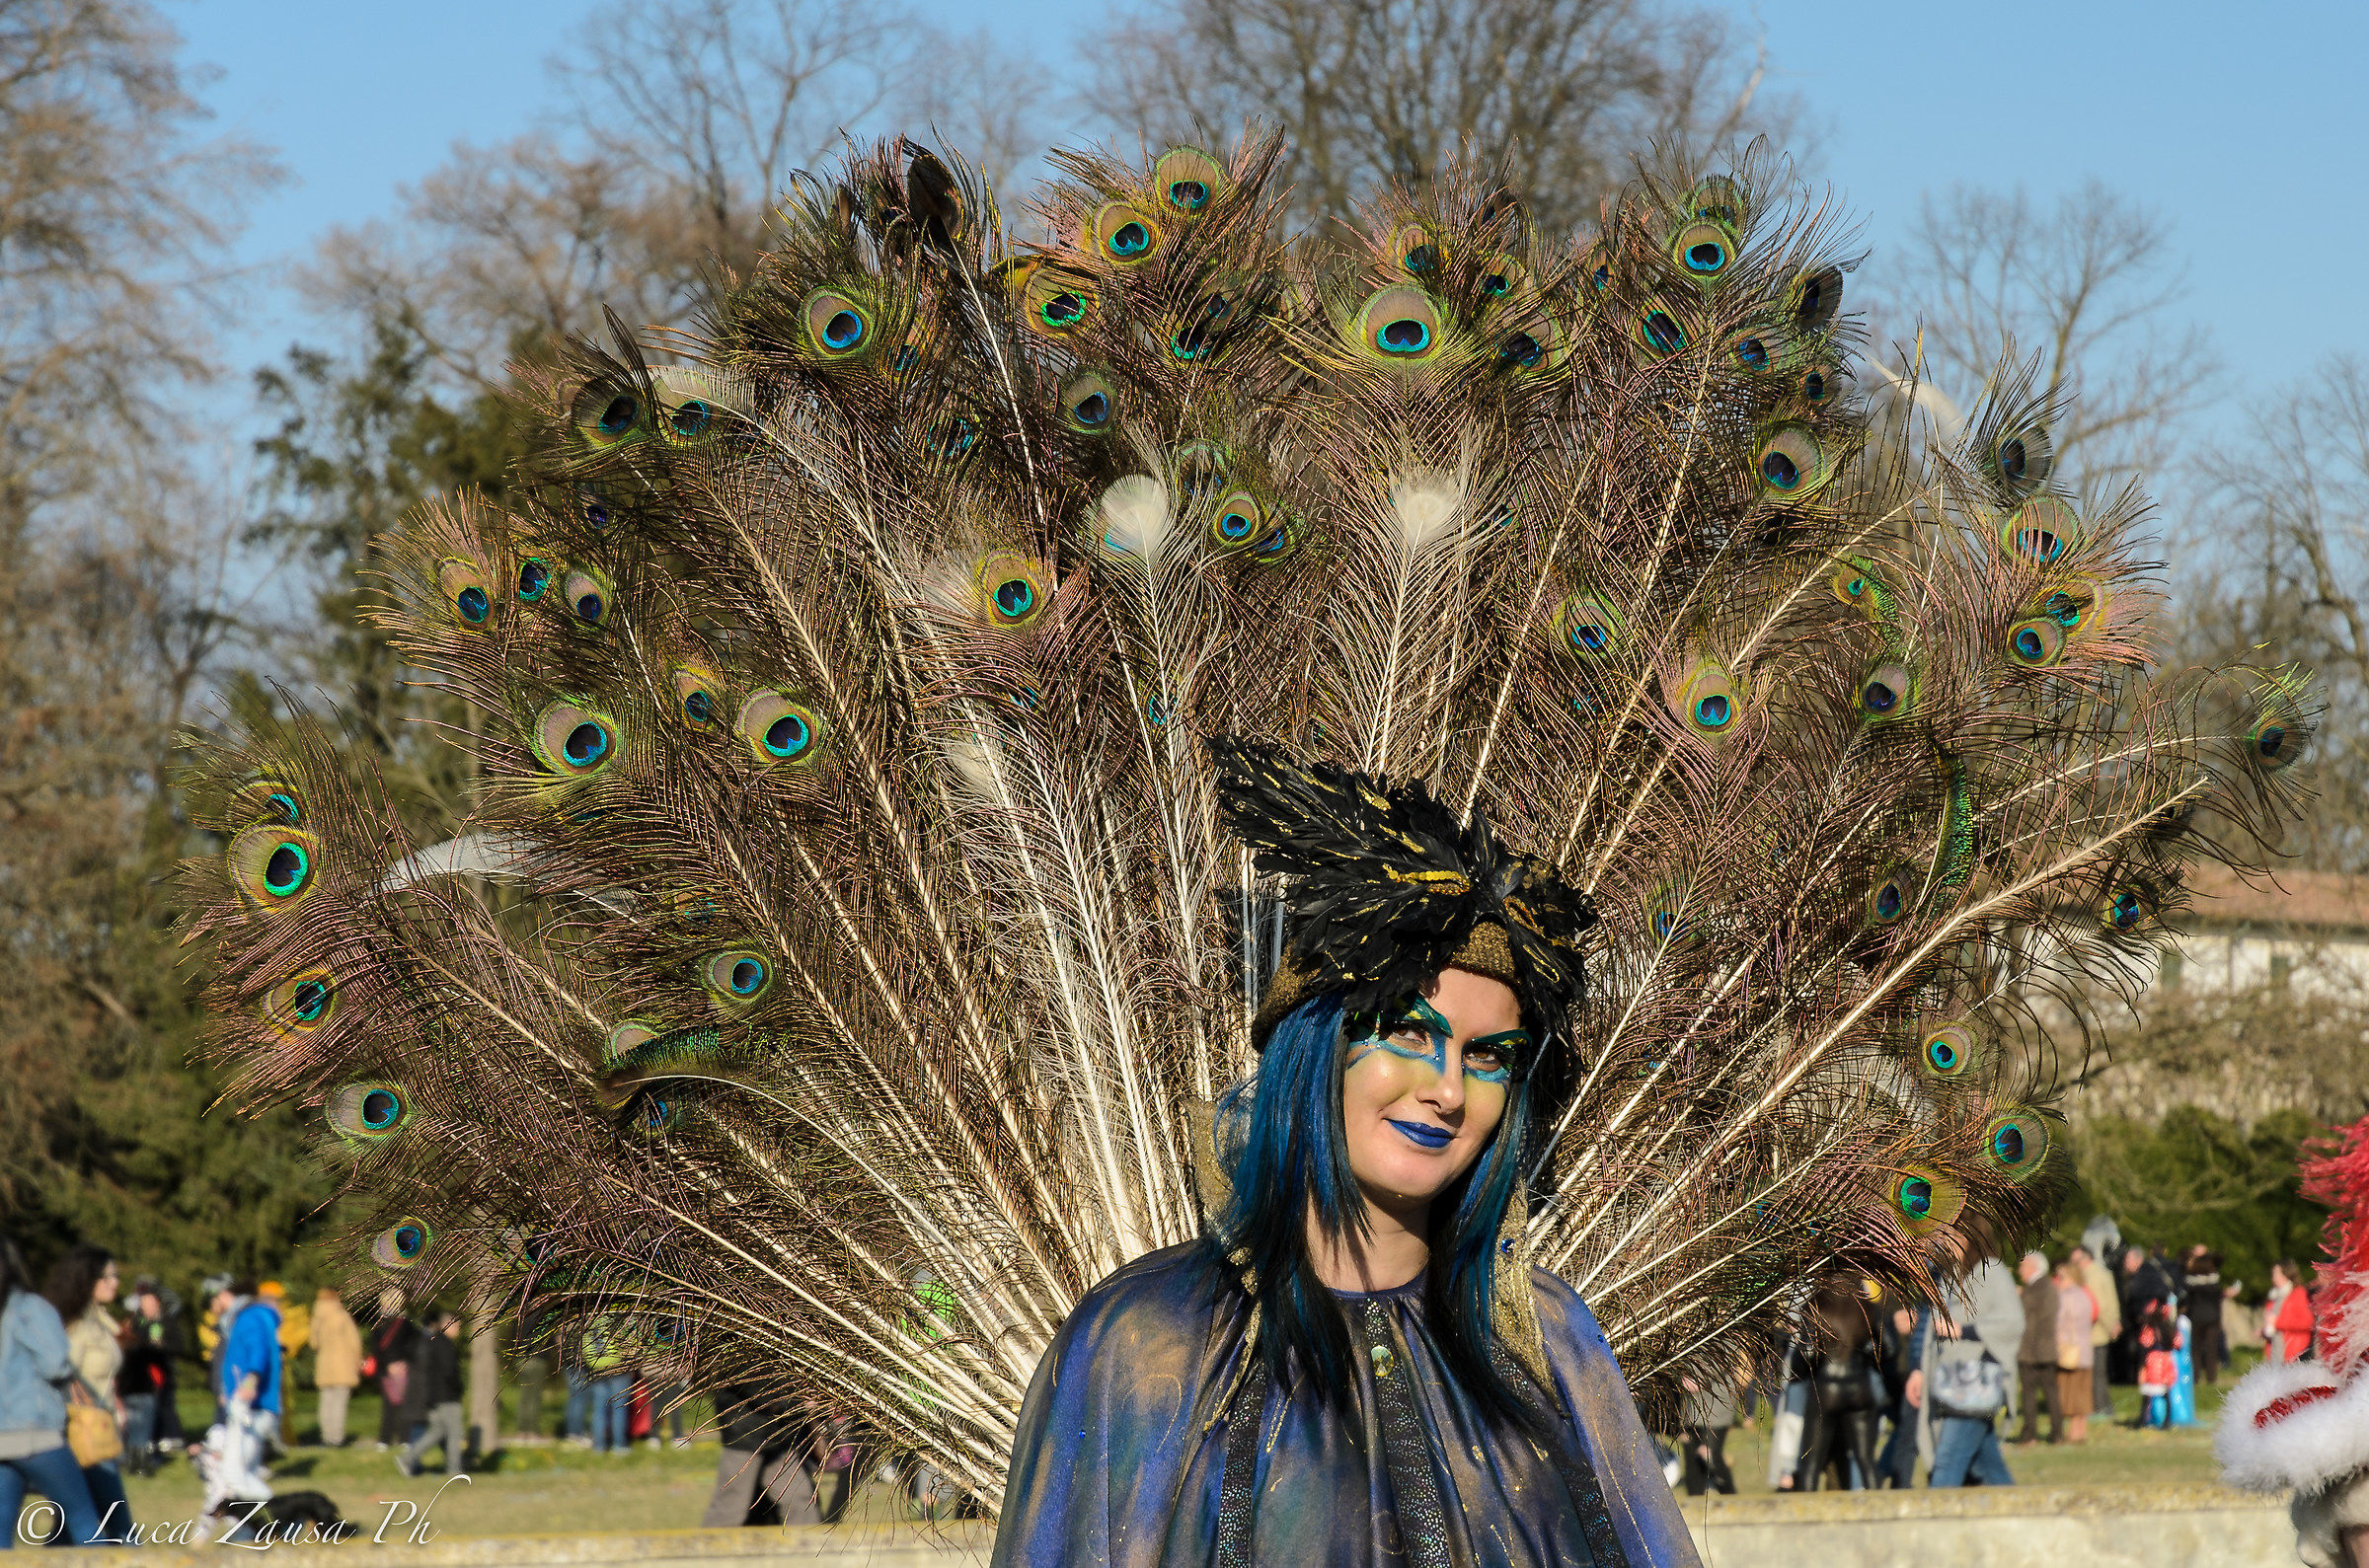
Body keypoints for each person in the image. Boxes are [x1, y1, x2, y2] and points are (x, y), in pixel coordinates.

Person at [994, 749, 1700, 1564]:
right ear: (1317, 1043)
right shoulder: (1143, 1346)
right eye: (1407, 1030)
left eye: (1488, 1056)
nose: (1447, 1090)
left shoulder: (1551, 1344)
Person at [0, 1235, 106, 1546]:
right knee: (84, 1519)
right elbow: (55, 1365)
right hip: (35, 1434)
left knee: (2, 1531)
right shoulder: (29, 1308)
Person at [1913, 1245, 2023, 1488]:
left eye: (1950, 1234)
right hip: (1948, 1382)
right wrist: (1919, 1370)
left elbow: (2012, 1322)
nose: (1941, 1240)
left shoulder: (1992, 1272)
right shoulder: (1947, 1277)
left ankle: (1935, 1521)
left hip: (1975, 1385)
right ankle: (2024, 1520)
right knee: (1987, 1467)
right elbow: (1930, 1329)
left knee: (1947, 1463)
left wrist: (1963, 1330)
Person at [44, 1245, 130, 1538]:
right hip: (82, 1433)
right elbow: (59, 1377)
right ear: (85, 1280)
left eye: (115, 1275)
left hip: (101, 1427)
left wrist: (115, 1401)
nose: (114, 1282)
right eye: (106, 1277)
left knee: (71, 1527)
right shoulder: (75, 1327)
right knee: (118, 1525)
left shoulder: (100, 1321)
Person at [214, 1275, 282, 1484]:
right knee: (243, 1469)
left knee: (238, 1470)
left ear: (228, 1295)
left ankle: (245, 1513)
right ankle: (246, 1512)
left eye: (217, 1296)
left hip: (252, 1403)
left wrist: (250, 1381)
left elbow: (257, 1350)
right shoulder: (252, 1316)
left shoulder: (248, 1317)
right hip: (252, 1401)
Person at [396, 1309, 466, 1477]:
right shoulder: (446, 1345)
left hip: (433, 1397)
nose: (458, 1330)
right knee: (455, 1433)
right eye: (457, 1326)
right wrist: (459, 1388)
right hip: (447, 1396)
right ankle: (454, 1470)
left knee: (437, 1432)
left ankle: (408, 1457)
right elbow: (450, 1372)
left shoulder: (433, 1342)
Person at [2010, 1251, 2061, 1446]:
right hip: (2044, 1349)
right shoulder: (2048, 1286)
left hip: (2033, 1349)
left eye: (2022, 1266)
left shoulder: (2037, 1288)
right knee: (2050, 1392)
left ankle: (2030, 1434)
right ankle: (2057, 1433)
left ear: (2033, 1267)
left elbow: (2030, 1317)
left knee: (2031, 1393)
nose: (2019, 1270)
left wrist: (2019, 1296)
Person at [310, 1286, 362, 1448]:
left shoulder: (317, 1318)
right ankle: (336, 1437)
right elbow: (355, 1342)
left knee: (326, 1402)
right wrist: (357, 1361)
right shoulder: (342, 1316)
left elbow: (313, 1343)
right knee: (339, 1403)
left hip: (324, 1366)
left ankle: (326, 1437)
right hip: (343, 1365)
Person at [2051, 1257, 2097, 1444]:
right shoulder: (2085, 1295)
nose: (2058, 1281)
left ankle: (2073, 1431)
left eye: (2061, 1277)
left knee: (2068, 1392)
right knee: (2083, 1391)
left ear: (2070, 1278)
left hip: (2068, 1350)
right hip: (2085, 1350)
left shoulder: (2065, 1297)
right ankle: (2081, 1430)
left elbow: (2058, 1323)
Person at [2071, 1244, 2119, 1418]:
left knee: (2096, 1374)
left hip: (2095, 1332)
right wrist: (2115, 1322)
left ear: (2085, 1259)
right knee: (2099, 1372)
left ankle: (2099, 1408)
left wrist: (2110, 1325)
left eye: (2075, 1261)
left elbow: (2098, 1305)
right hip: (2100, 1330)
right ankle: (2105, 1407)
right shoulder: (2101, 1272)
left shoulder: (2091, 1276)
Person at [364, 1290, 416, 1451]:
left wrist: (398, 1363)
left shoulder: (398, 1323)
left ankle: (391, 1439)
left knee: (398, 1405)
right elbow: (377, 1348)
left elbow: (376, 1348)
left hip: (391, 1369)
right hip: (391, 1369)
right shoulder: (404, 1323)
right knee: (394, 1406)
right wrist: (397, 1364)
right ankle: (397, 1439)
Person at [1677, 1376, 1736, 1497]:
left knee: (1708, 1454)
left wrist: (1700, 1378)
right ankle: (1694, 1501)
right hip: (1690, 1403)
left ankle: (1730, 1496)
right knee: (1691, 1455)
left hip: (1715, 1400)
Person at [582, 1317, 632, 1456]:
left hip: (596, 1368)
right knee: (619, 1409)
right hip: (617, 1368)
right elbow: (627, 1344)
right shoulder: (616, 1319)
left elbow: (584, 1347)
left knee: (599, 1410)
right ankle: (619, 1445)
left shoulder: (589, 1321)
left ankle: (598, 1445)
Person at [2182, 1246, 2226, 1385]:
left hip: (2195, 1317)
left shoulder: (2190, 1282)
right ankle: (2211, 1377)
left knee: (2195, 1349)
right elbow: (2217, 1300)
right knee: (2211, 1349)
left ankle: (2195, 1377)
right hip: (2212, 1318)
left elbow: (2187, 1301)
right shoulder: (2214, 1283)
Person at [2272, 1261, 2317, 1366]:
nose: (2273, 1277)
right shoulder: (2275, 1295)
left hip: (2296, 1351)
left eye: (2277, 1273)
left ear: (2287, 1274)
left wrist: (2277, 1323)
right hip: (2278, 1350)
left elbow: (2307, 1322)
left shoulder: (2298, 1293)